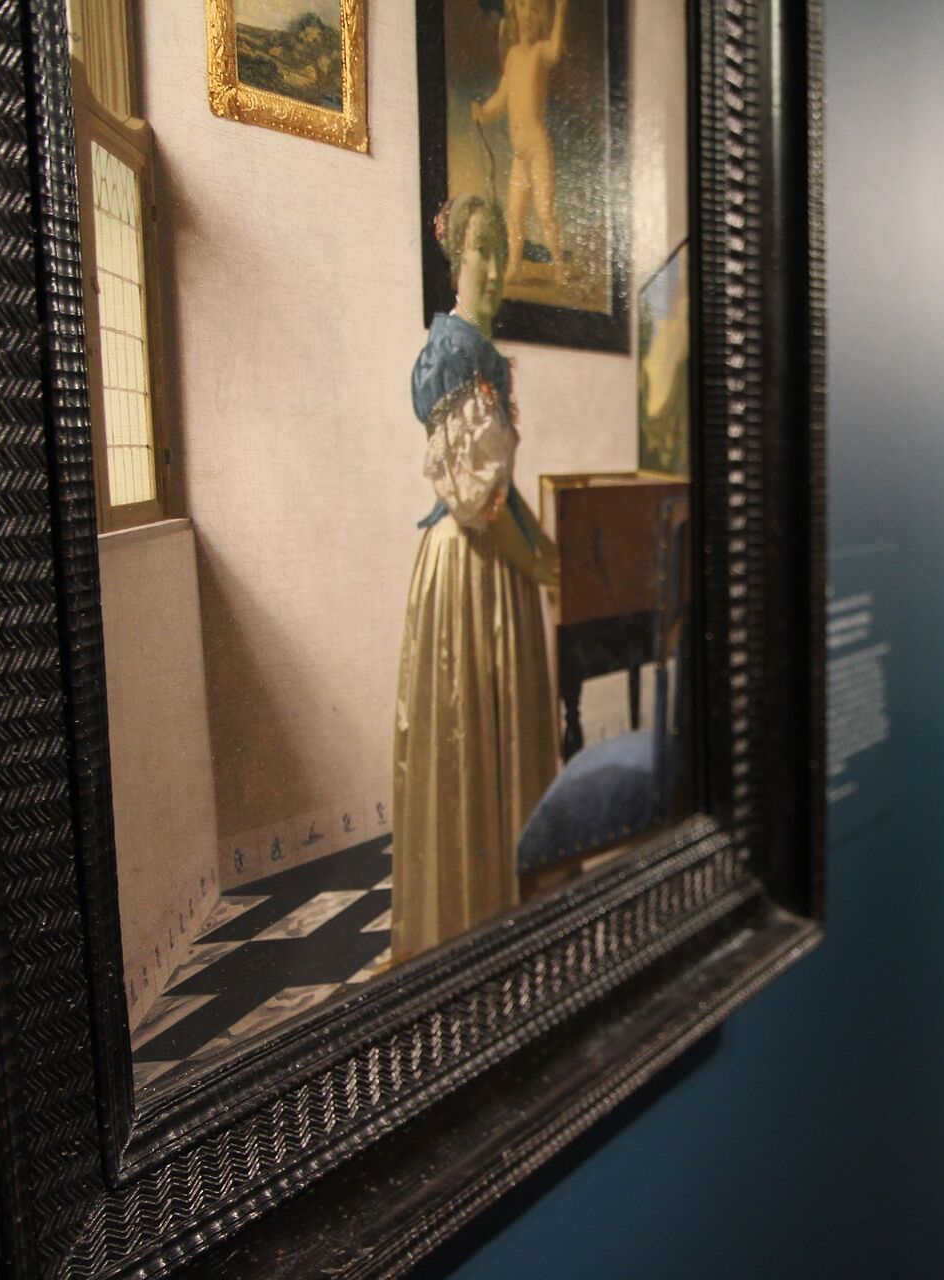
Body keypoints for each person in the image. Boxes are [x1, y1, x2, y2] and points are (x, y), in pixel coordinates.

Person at [391, 194, 561, 964]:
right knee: (472, 743)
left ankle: (506, 911)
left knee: (504, 738)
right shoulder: (456, 351)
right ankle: (472, 928)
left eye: (501, 251)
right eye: (479, 252)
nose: (492, 268)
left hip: (492, 561)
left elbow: (500, 488)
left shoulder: (478, 353)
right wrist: (541, 563)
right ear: (455, 261)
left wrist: (547, 555)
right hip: (470, 567)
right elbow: (477, 500)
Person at [471, 0, 569, 285]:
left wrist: (561, 11)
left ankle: (559, 267)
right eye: (523, 7)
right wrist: (484, 112)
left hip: (537, 148)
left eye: (535, 11)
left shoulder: (540, 52)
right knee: (514, 214)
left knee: (545, 210)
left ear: (542, 19)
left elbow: (555, 50)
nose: (527, 16)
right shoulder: (514, 55)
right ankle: (514, 266)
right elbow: (502, 96)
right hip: (519, 154)